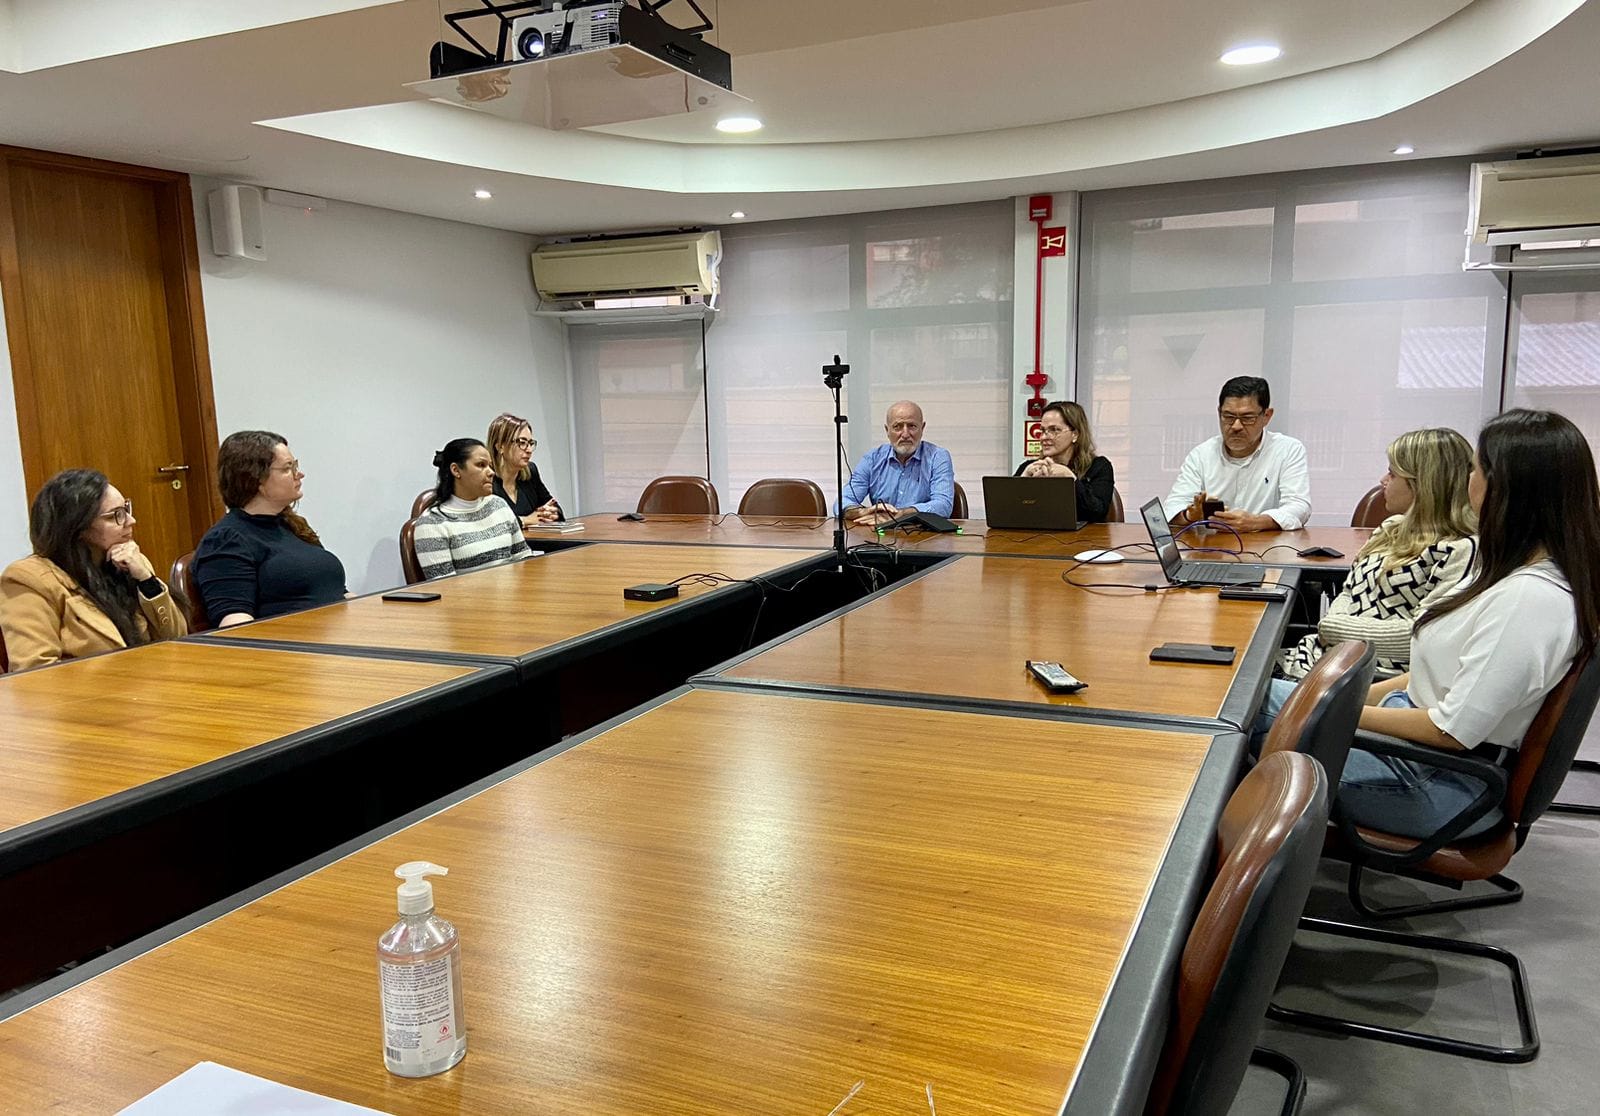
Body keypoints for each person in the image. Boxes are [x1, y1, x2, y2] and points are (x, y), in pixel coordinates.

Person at [1338, 410, 1600, 839]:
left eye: (1475, 470)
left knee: (1244, 738)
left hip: (1437, 783)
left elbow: (1451, 730)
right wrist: (1339, 698)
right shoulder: (1508, 572)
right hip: (1417, 754)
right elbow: (1435, 675)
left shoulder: (1530, 600)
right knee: (1252, 704)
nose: (1466, 482)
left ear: (1504, 486)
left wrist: (1337, 712)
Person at [1276, 428, 1477, 681]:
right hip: (1326, 657)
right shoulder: (1391, 528)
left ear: (1422, 484)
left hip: (1369, 676)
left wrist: (1334, 628)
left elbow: (1421, 637)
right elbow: (1349, 591)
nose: (1383, 480)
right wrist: (1334, 627)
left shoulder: (1460, 550)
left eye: (1392, 474)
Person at [0, 469, 186, 671]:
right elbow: (35, 671)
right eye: (116, 515)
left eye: (126, 509)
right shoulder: (28, 579)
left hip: (151, 681)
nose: (131, 521)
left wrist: (146, 580)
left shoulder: (132, 563)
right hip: (93, 690)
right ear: (78, 527)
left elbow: (178, 640)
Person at [194, 431, 348, 627]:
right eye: (287, 468)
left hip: (338, 632)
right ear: (256, 479)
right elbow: (234, 623)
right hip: (294, 642)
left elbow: (336, 592)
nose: (299, 475)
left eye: (295, 466)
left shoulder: (293, 525)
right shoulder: (225, 540)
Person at [1162, 376, 1311, 531]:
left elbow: (1299, 506)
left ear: (1266, 416)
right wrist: (1190, 515)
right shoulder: (1201, 455)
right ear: (1219, 413)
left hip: (1265, 544)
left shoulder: (1287, 450)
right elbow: (1172, 507)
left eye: (1247, 418)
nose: (1236, 426)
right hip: (1212, 545)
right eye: (1228, 417)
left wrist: (1256, 522)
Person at [413, 438, 534, 580]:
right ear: (456, 470)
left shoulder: (498, 505)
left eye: (490, 466)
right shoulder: (432, 523)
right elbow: (444, 586)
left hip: (516, 590)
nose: (491, 472)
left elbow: (524, 558)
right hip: (474, 595)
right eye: (481, 465)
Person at [840, 400, 955, 526]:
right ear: (887, 430)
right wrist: (863, 512)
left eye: (912, 426)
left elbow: (943, 505)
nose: (905, 434)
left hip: (923, 533)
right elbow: (843, 501)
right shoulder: (872, 459)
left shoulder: (938, 457)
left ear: (922, 428)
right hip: (879, 533)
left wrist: (903, 514)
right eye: (897, 427)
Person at [1012, 400, 1116, 522]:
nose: (1044, 437)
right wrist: (1023, 479)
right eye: (1042, 430)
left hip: (1083, 534)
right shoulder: (1029, 467)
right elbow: (1005, 512)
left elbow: (1097, 513)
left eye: (1054, 430)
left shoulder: (1099, 466)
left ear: (1075, 434)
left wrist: (1070, 479)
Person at [487, 412, 563, 527]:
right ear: (500, 446)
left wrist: (551, 513)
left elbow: (552, 505)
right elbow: (487, 523)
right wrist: (525, 520)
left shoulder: (531, 471)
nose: (529, 450)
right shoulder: (486, 478)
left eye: (530, 443)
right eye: (522, 443)